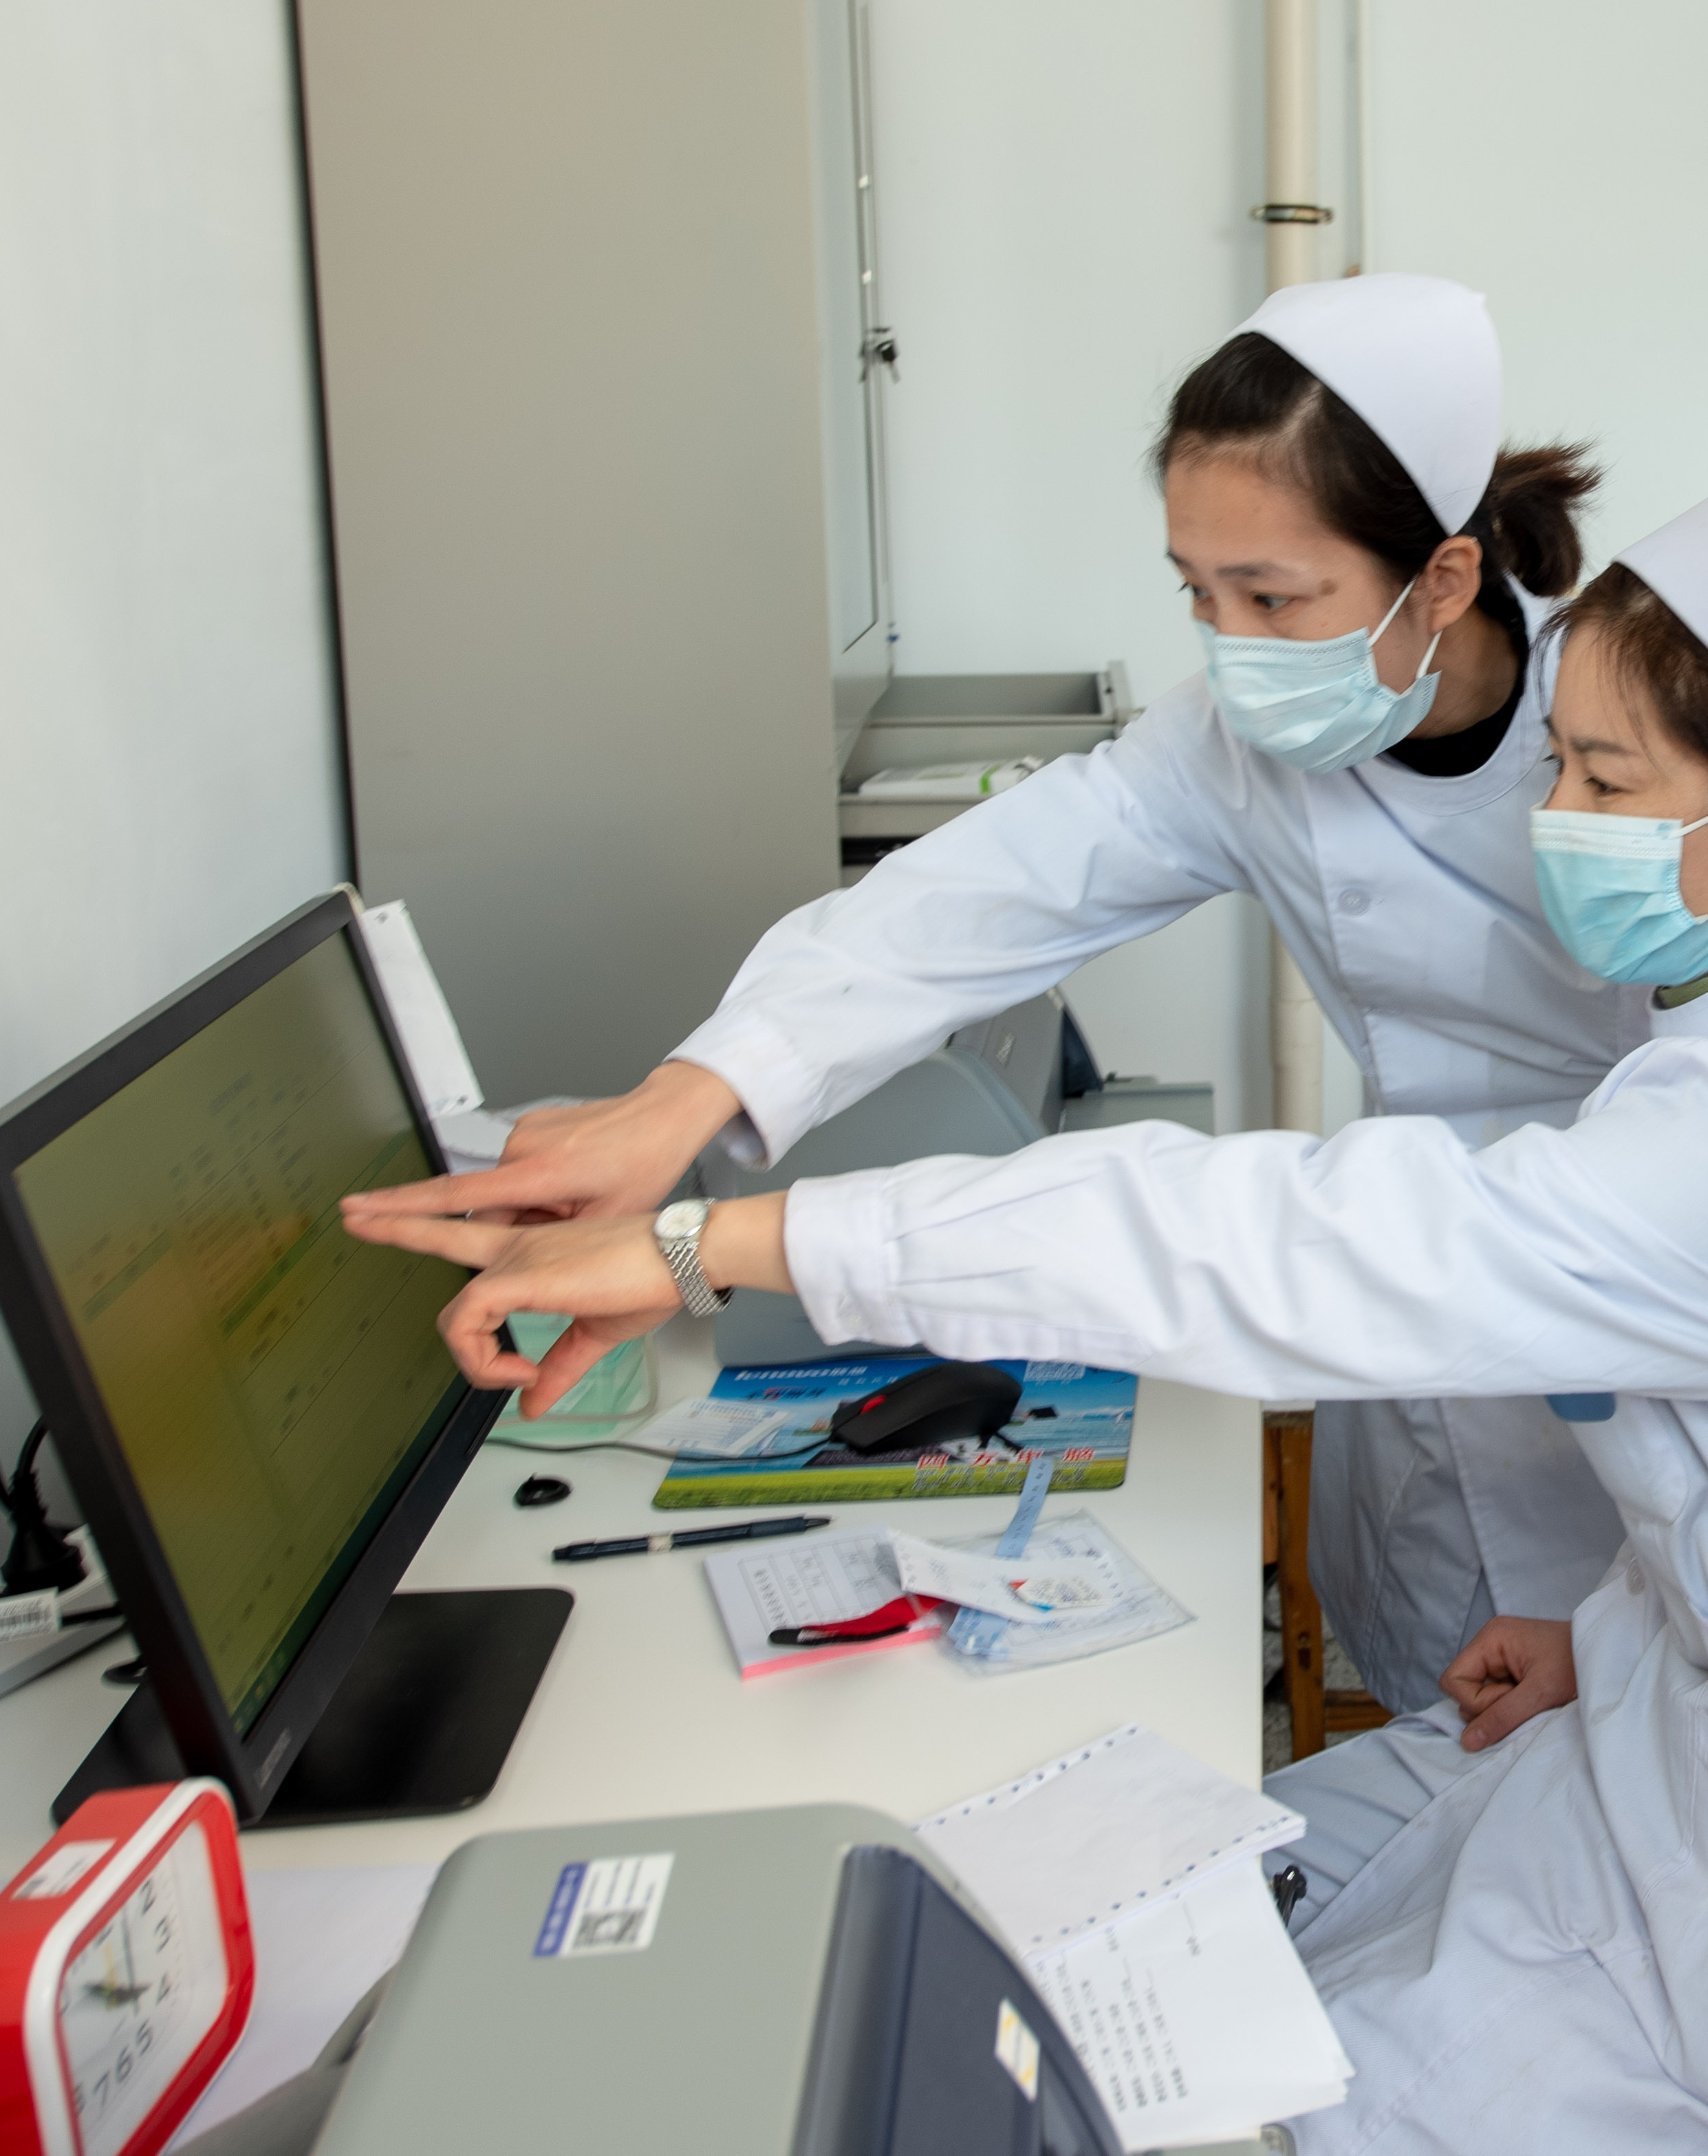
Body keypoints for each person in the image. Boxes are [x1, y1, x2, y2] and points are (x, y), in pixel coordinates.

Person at [346, 475, 1708, 2154]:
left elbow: (1262, 1240)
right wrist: (1623, 1624)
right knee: (1089, 1914)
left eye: (1603, 779)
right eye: (1557, 767)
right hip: (1652, 1730)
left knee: (1187, 2084)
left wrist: (726, 1240)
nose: (1551, 820)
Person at [346, 272, 1641, 1719]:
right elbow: (981, 889)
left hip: (1629, 1318)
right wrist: (686, 1099)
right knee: (1437, 1742)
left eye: (1273, 597)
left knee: (1613, 1748)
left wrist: (708, 1243)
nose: (1229, 645)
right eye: (1197, 592)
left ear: (1443, 580)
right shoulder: (1237, 743)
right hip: (1401, 1337)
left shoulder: (1633, 735)